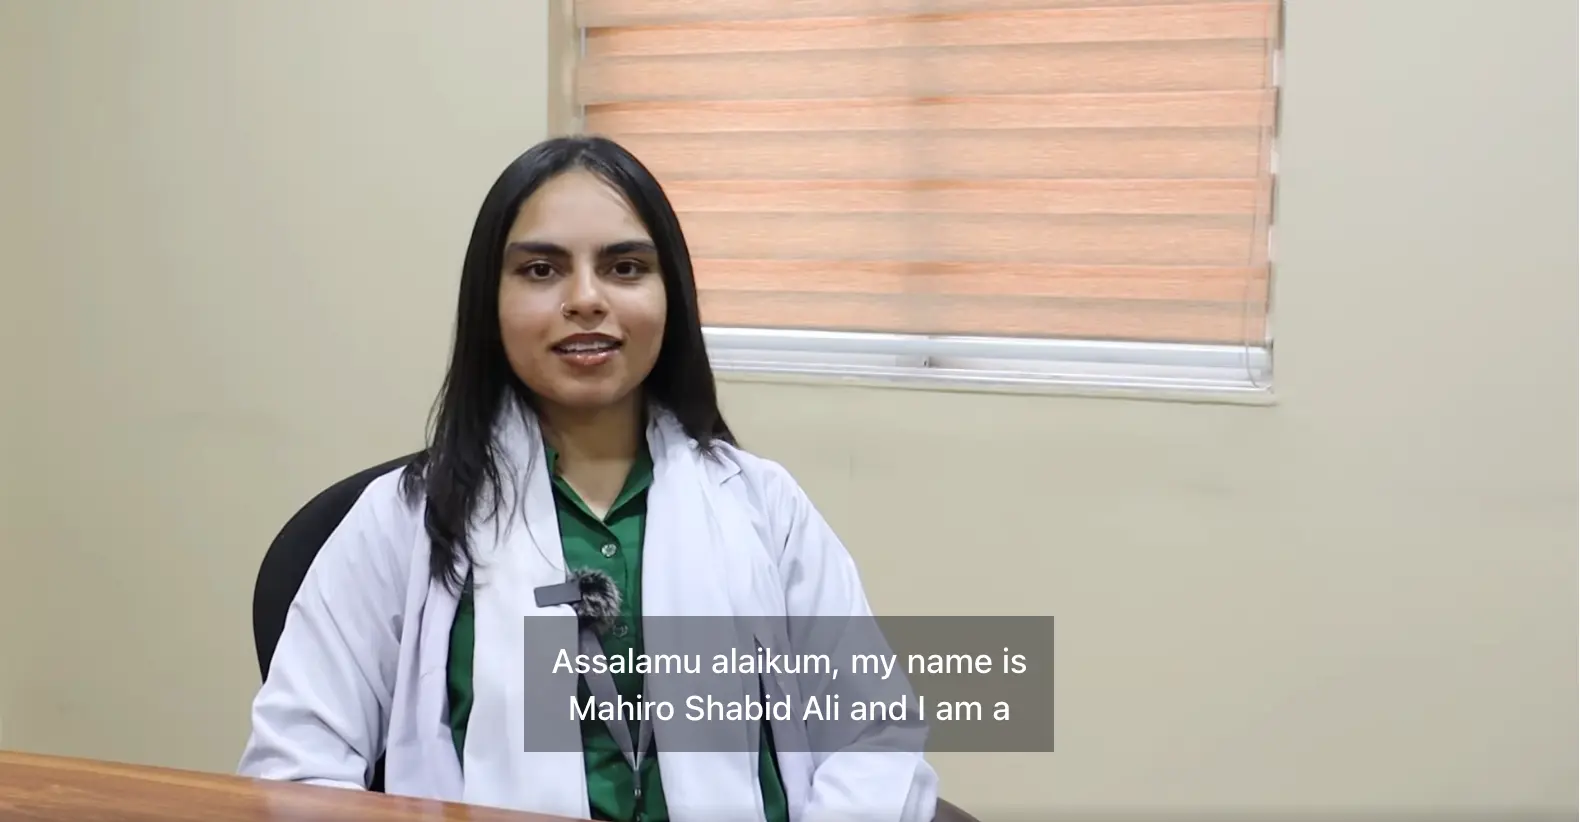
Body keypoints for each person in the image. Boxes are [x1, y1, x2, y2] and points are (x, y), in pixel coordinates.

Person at [236, 136, 938, 822]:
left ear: (671, 294)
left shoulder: (764, 506)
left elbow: (871, 736)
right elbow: (297, 767)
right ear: (490, 303)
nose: (586, 299)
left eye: (625, 267)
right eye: (541, 270)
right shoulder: (400, 522)